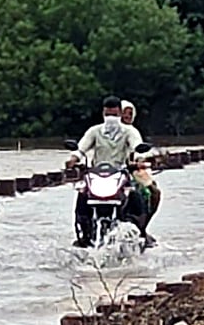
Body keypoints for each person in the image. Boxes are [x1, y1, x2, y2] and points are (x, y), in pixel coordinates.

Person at [67, 95, 151, 247]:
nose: (111, 118)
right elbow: (81, 148)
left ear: (120, 113)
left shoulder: (129, 131)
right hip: (96, 175)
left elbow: (137, 147)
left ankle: (141, 231)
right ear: (103, 113)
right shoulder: (94, 131)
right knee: (82, 195)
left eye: (114, 114)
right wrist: (73, 159)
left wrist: (139, 159)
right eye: (107, 114)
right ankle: (83, 233)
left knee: (137, 196)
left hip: (121, 173)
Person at [122, 100, 161, 246]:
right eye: (124, 113)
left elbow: (137, 149)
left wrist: (140, 161)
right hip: (107, 172)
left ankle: (143, 228)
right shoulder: (103, 131)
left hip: (130, 170)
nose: (127, 116)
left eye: (130, 114)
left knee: (154, 191)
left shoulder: (132, 132)